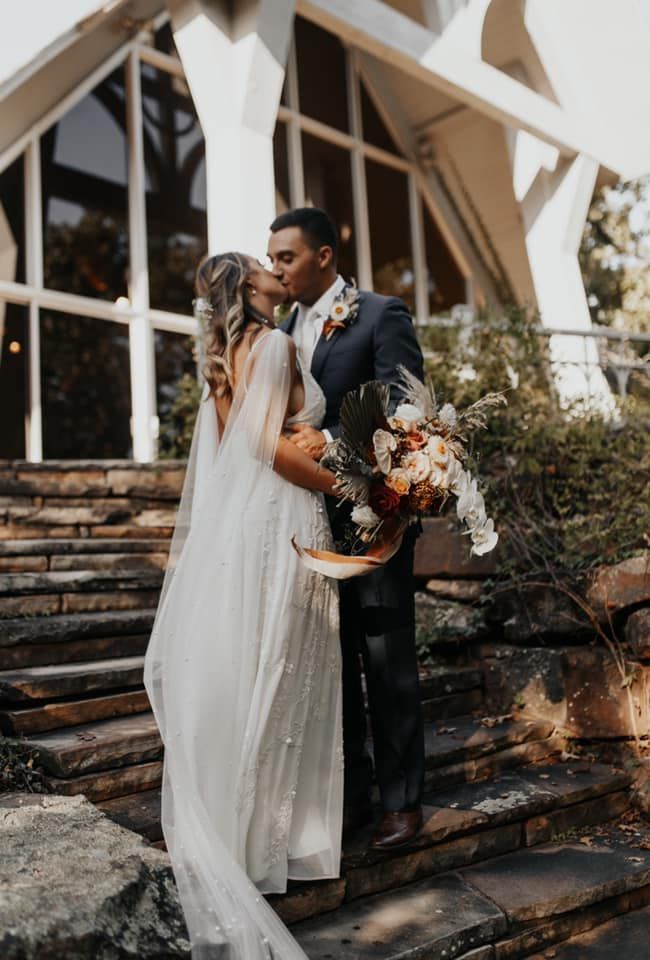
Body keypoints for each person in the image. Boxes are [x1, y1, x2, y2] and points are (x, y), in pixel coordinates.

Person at [143, 252, 343, 960]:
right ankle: (270, 844)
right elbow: (263, 447)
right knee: (284, 667)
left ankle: (251, 835)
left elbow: (235, 443)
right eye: (262, 264)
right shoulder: (277, 345)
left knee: (263, 663)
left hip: (247, 523)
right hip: (286, 512)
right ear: (247, 287)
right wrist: (348, 486)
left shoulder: (226, 356)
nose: (272, 267)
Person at [268, 207, 426, 852]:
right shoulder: (279, 331)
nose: (277, 269)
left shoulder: (380, 313)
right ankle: (353, 797)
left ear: (324, 256)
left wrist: (331, 438)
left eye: (286, 257)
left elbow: (403, 402)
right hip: (305, 520)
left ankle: (401, 803)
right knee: (328, 664)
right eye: (271, 259)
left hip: (371, 514)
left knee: (386, 661)